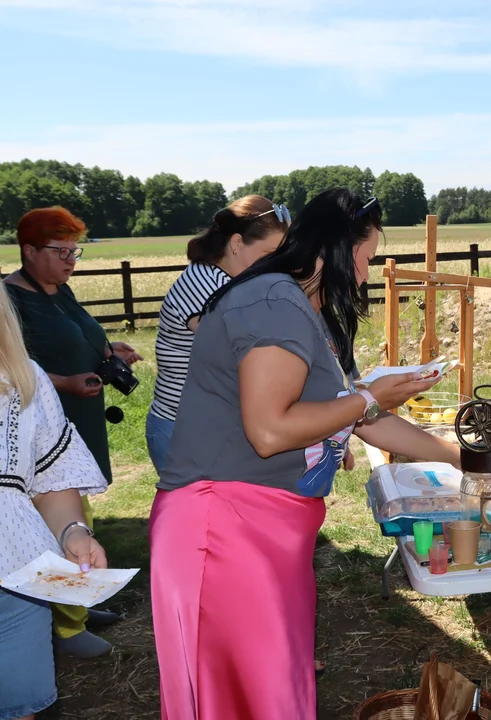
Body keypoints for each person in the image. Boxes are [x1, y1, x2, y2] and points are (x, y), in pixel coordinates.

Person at [150, 189, 461, 720]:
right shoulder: (274, 302)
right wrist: (366, 399)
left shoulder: (300, 309)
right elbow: (270, 431)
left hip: (264, 528)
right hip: (224, 530)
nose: (364, 276)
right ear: (334, 250)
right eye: (364, 258)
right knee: (244, 699)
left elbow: (364, 421)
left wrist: (461, 455)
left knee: (275, 689)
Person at [3, 207, 141, 658]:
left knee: (79, 510)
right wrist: (62, 383)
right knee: (53, 513)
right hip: (37, 426)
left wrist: (107, 351)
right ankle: (65, 626)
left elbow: (79, 335)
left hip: (77, 419)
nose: (70, 260)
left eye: (73, 251)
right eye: (60, 251)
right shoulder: (11, 300)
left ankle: (77, 599)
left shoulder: (60, 292)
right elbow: (17, 366)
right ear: (28, 250)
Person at [0, 281, 109, 720]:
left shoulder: (23, 378)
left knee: (19, 708)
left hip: (19, 585)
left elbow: (49, 479)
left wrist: (73, 530)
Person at [145, 195, 288, 471]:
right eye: (269, 255)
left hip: (202, 425)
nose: (274, 265)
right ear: (236, 243)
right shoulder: (207, 284)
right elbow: (243, 348)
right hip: (183, 429)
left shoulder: (227, 280)